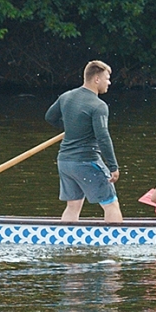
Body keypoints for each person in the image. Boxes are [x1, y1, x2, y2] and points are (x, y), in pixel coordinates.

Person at [47, 60, 121, 223]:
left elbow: (50, 117)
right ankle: (114, 247)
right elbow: (103, 137)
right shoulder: (98, 105)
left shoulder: (66, 97)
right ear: (96, 79)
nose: (109, 82)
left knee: (73, 206)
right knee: (111, 204)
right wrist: (113, 166)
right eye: (107, 78)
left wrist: (72, 129)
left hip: (65, 162)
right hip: (86, 161)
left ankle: (66, 243)